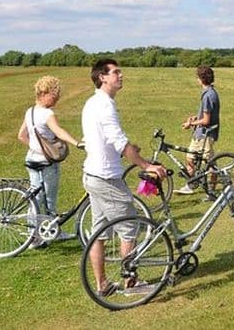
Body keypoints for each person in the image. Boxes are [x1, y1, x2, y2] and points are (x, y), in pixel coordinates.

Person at [81, 58, 167, 296]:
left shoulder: (92, 103)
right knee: (129, 228)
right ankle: (132, 282)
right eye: (116, 72)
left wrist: (131, 149)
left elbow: (102, 139)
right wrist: (146, 164)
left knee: (99, 231)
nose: (121, 75)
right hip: (107, 179)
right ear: (102, 77)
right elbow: (118, 142)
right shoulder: (105, 106)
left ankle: (102, 284)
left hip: (92, 174)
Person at [17, 75, 81, 244]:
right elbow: (59, 132)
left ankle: (34, 237)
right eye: (55, 94)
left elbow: (21, 135)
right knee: (49, 199)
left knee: (35, 198)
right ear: (44, 93)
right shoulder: (47, 114)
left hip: (32, 159)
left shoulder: (29, 111)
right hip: (47, 163)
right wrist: (76, 142)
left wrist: (35, 147)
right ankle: (54, 231)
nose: (57, 98)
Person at [174, 66, 220, 196]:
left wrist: (191, 123)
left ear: (201, 79)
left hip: (204, 135)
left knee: (209, 163)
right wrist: (195, 118)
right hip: (202, 134)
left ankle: (210, 191)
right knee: (190, 157)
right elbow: (206, 116)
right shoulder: (210, 93)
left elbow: (206, 120)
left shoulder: (208, 96)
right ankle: (192, 184)